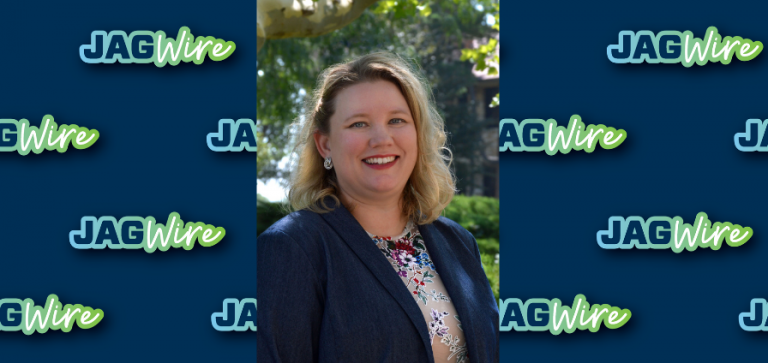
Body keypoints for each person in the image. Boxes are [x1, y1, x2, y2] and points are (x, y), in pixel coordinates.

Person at [257, 52, 498, 363]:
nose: (381, 138)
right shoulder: (291, 248)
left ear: (417, 135)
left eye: (397, 120)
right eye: (359, 124)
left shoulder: (458, 243)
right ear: (325, 145)